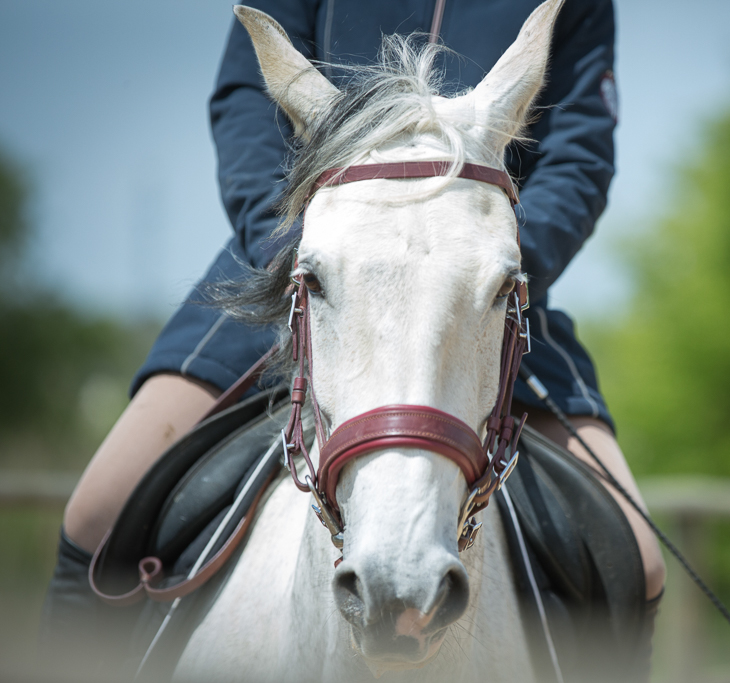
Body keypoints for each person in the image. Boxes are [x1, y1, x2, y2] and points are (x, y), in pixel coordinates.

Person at [43, 0, 664, 650]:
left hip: (478, 281)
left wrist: (491, 256)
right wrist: (295, 247)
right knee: (97, 512)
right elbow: (247, 105)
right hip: (301, 263)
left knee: (639, 558)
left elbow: (579, 149)